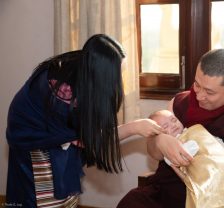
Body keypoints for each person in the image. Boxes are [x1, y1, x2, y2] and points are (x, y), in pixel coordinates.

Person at [5, 34, 164, 207]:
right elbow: (93, 138)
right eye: (116, 72)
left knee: (67, 193)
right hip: (33, 140)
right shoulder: (63, 94)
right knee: (49, 199)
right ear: (101, 71)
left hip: (53, 138)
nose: (118, 78)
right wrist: (135, 127)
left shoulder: (84, 68)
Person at [117, 49, 224, 208]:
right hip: (168, 190)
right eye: (197, 84)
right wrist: (160, 141)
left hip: (219, 196)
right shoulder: (181, 103)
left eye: (209, 92)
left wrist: (203, 187)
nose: (198, 96)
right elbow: (154, 154)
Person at [118, 109, 224, 208]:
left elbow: (212, 148)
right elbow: (166, 158)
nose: (172, 125)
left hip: (189, 189)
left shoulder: (194, 133)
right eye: (165, 127)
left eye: (173, 120)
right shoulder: (163, 145)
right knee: (134, 199)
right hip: (164, 188)